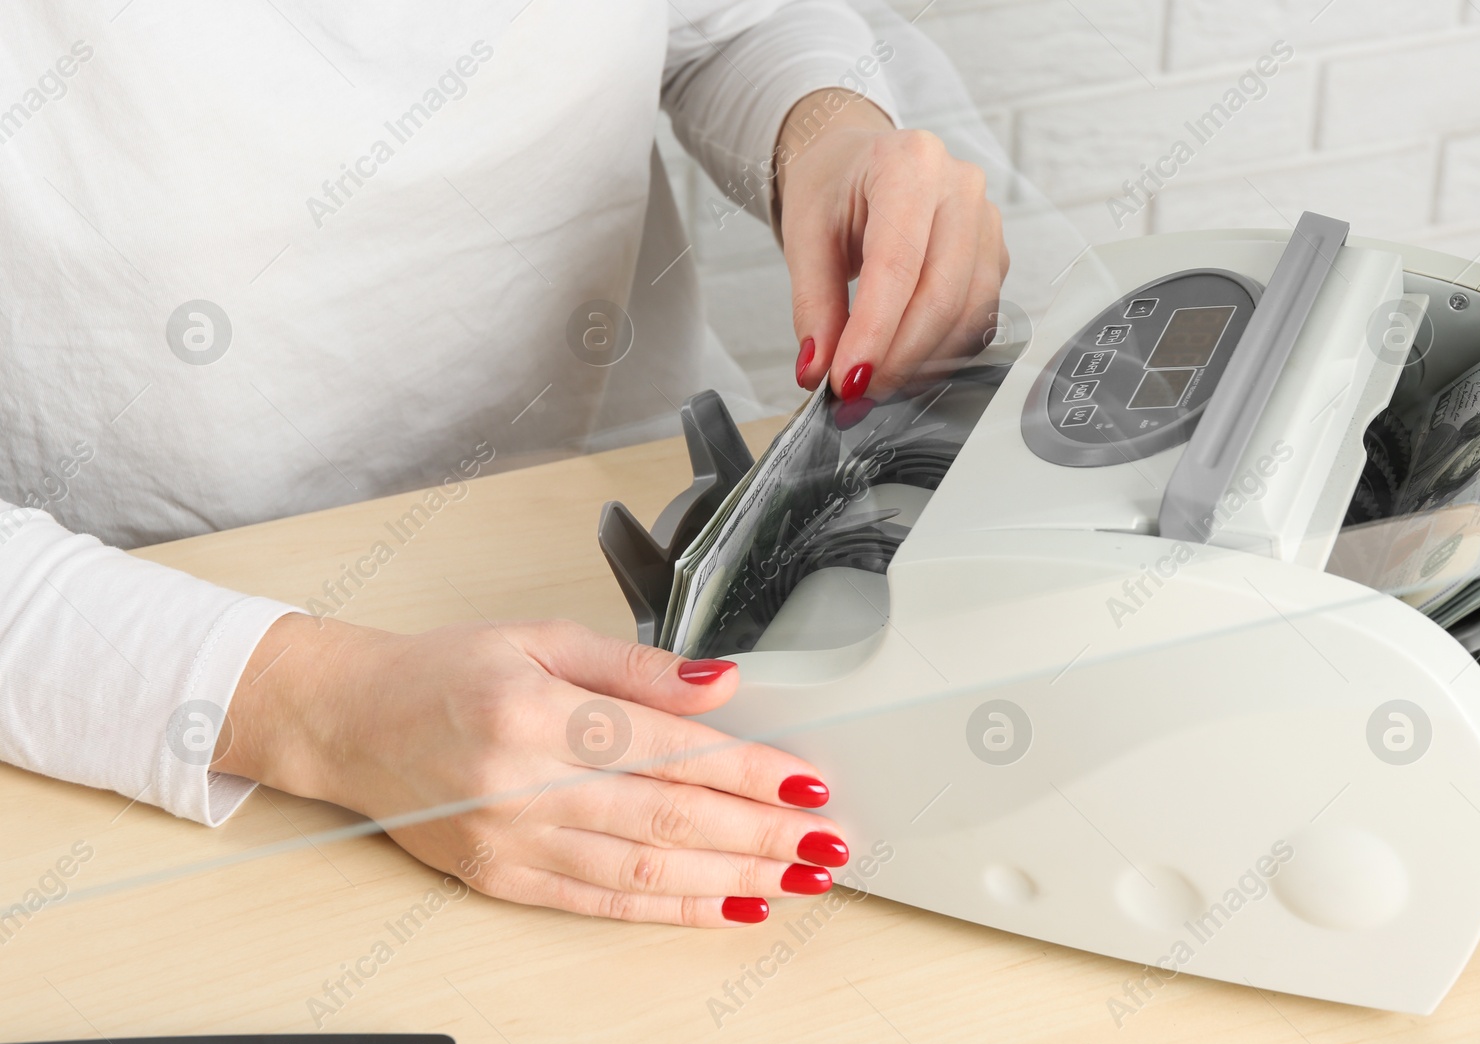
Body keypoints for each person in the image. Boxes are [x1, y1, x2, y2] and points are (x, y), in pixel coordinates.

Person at [0, 2, 1007, 927]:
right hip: (149, 650)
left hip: (634, 525)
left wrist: (827, 133)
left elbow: (732, 26)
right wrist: (325, 710)